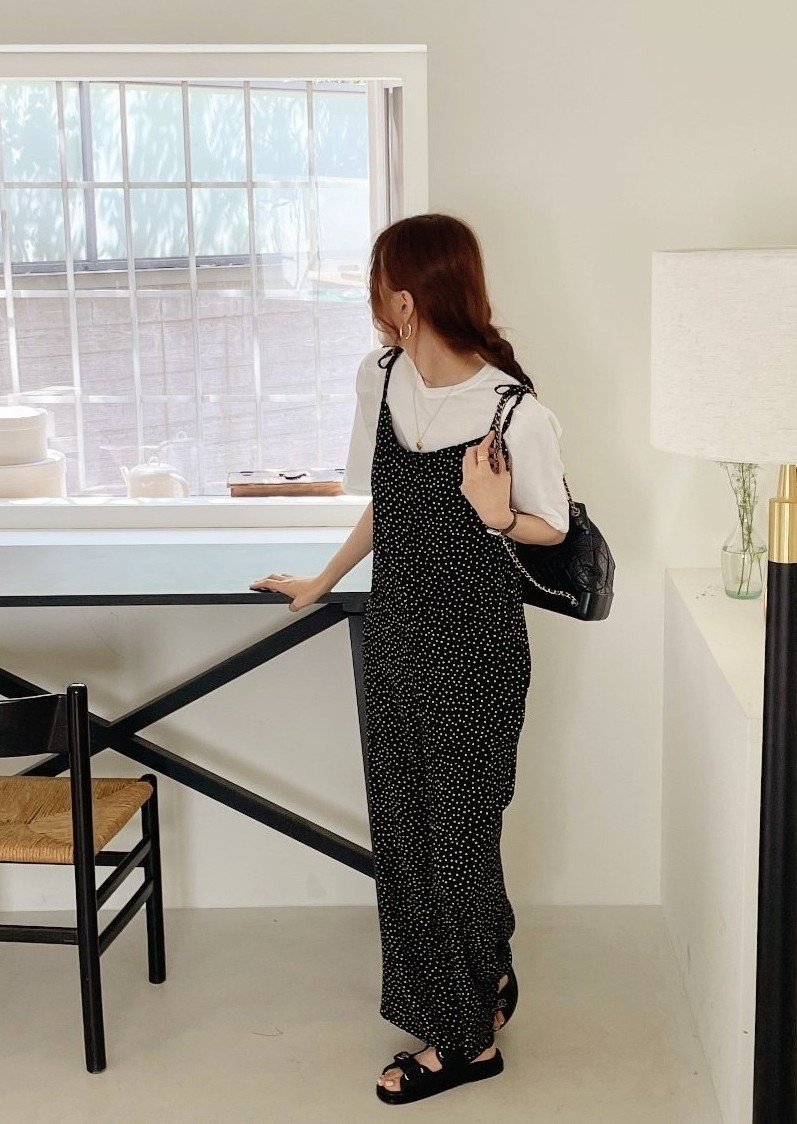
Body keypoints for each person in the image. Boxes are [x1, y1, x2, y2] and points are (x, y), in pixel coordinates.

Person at [250, 213, 569, 1105]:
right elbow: (385, 505)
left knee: (459, 838)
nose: (371, 304)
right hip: (394, 639)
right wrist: (321, 581)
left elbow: (554, 527)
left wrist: (497, 513)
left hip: (476, 651)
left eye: (373, 287)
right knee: (405, 834)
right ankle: (478, 978)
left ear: (402, 297)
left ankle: (468, 1043)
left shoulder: (512, 410)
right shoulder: (380, 377)